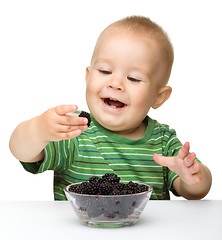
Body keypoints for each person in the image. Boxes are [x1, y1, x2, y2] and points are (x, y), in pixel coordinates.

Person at [9, 16, 212, 200]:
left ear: (158, 97)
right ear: (88, 77)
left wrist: (192, 176)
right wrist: (38, 130)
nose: (115, 83)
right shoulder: (75, 130)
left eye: (133, 78)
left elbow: (196, 191)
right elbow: (21, 151)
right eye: (105, 71)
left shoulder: (162, 142)